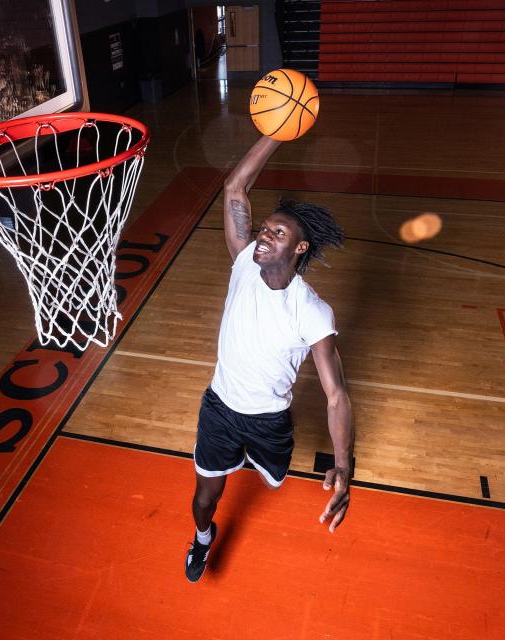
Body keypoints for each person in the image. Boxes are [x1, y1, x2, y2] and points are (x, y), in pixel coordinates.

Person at [186, 135, 354, 582]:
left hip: (269, 420)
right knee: (205, 497)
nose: (263, 235)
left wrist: (343, 466)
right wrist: (277, 131)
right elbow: (235, 189)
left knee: (273, 479)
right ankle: (202, 540)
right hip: (219, 409)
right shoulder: (244, 263)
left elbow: (336, 396)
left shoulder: (312, 312)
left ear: (299, 249)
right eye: (264, 228)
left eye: (278, 233)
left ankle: (251, 458)